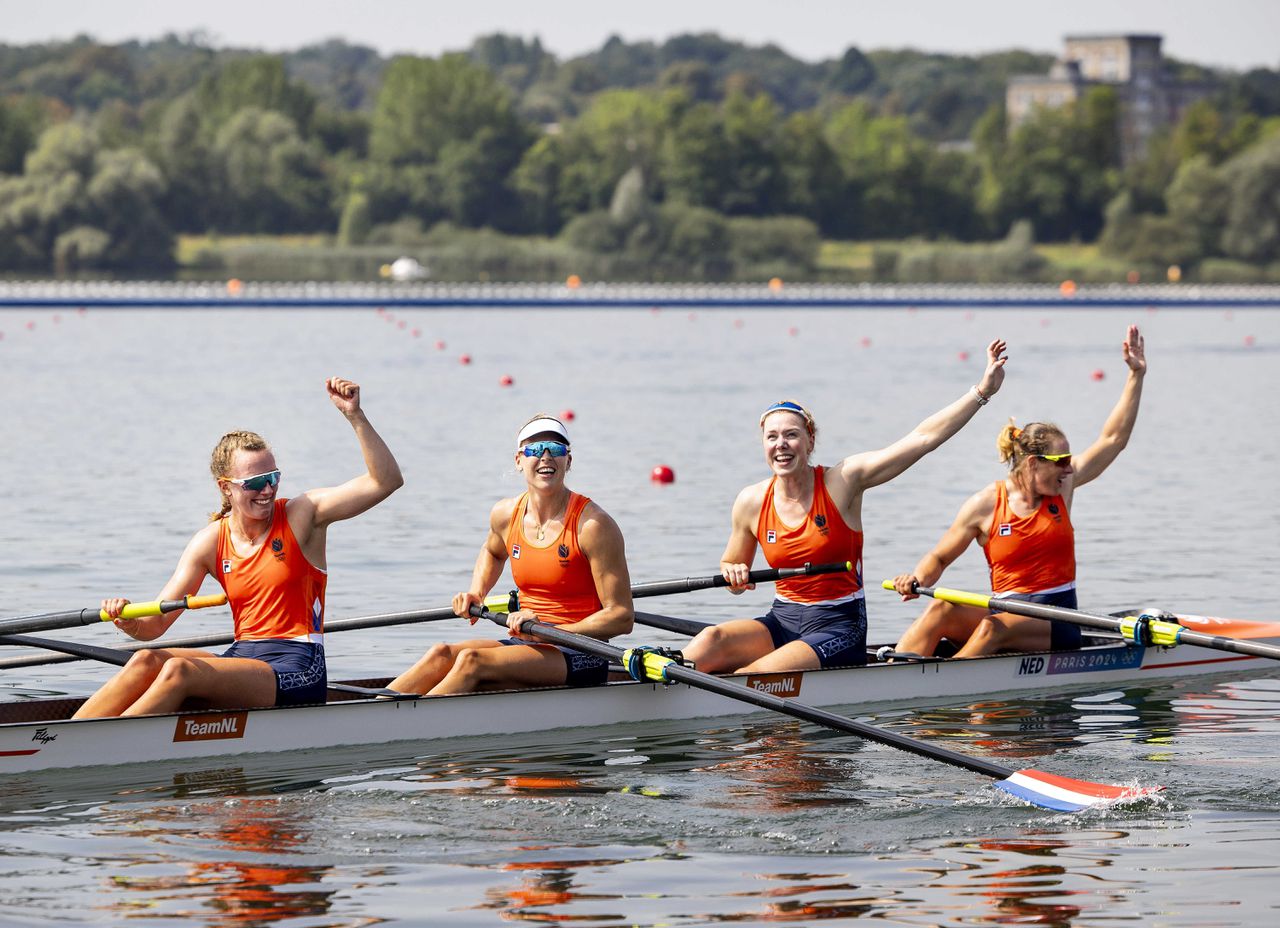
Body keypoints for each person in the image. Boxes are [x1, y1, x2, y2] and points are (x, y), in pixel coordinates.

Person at [72, 377, 403, 718]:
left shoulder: (302, 515)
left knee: (179, 671)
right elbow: (154, 626)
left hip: (300, 667)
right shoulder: (210, 541)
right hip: (242, 657)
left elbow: (385, 481)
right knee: (145, 661)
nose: (267, 490)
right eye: (255, 483)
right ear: (225, 487)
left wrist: (355, 416)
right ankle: (63, 737)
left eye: (273, 478)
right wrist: (127, 621)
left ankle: (102, 744)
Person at [681, 339, 1009, 675]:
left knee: (751, 677)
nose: (781, 445)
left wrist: (981, 392)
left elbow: (921, 439)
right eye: (772, 437)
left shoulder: (843, 482)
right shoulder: (750, 501)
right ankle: (654, 688)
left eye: (791, 435)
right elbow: (734, 568)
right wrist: (733, 575)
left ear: (810, 440)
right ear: (763, 443)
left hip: (839, 627)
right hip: (782, 620)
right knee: (710, 639)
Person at [891, 325, 1147, 658]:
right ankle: (895, 671)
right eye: (1061, 460)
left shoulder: (1063, 489)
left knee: (990, 628)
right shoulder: (985, 504)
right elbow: (940, 557)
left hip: (1058, 621)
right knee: (942, 608)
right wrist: (916, 578)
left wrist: (1135, 376)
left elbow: (1113, 440)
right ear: (1031, 462)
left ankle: (940, 688)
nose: (1069, 468)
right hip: (1006, 615)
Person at [387, 414, 632, 695]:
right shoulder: (505, 514)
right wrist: (476, 593)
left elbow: (621, 617)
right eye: (535, 450)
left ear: (569, 461)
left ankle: (407, 727)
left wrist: (554, 630)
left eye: (557, 449)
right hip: (528, 641)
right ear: (519, 460)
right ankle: (378, 718)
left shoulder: (593, 526)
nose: (546, 457)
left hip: (583, 651)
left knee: (471, 661)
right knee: (440, 654)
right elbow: (492, 552)